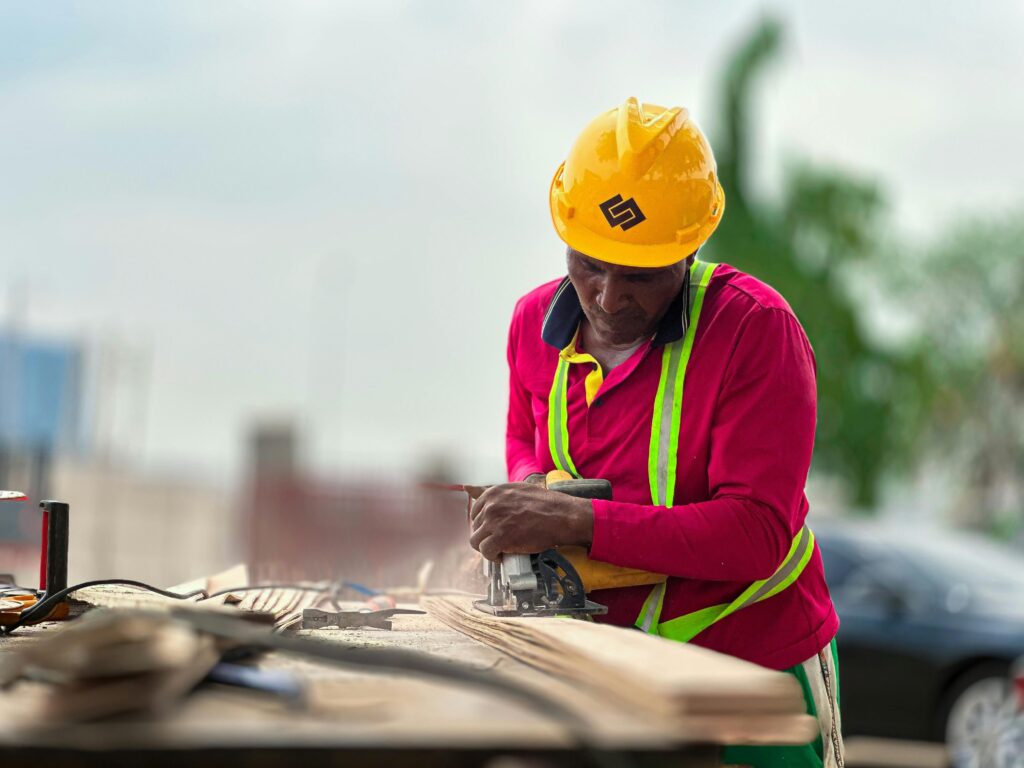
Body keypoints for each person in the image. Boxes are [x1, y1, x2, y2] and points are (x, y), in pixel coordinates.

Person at [469, 98, 845, 767]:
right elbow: (525, 436)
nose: (610, 298)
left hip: (750, 676)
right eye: (589, 264)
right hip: (610, 671)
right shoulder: (532, 325)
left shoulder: (757, 334)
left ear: (692, 247)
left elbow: (756, 534)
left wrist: (572, 522)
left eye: (641, 275)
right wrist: (531, 490)